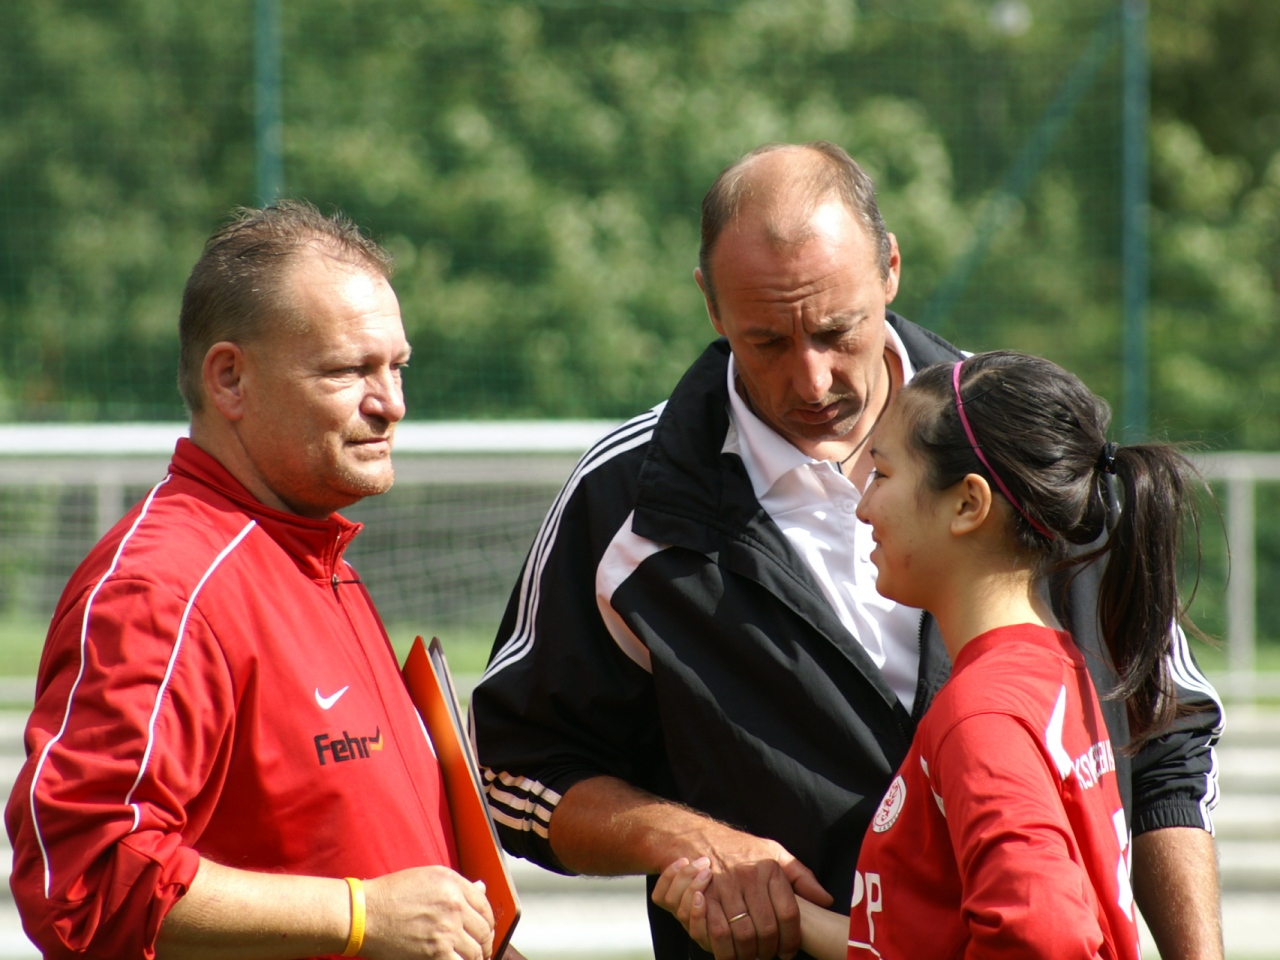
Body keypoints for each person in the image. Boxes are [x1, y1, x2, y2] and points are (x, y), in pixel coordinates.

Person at [470, 142, 1224, 960]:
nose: (814, 379)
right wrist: (683, 840)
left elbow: (1165, 739)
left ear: (891, 268)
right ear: (710, 306)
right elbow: (519, 771)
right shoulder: (628, 503)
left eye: (839, 330)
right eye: (767, 342)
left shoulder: (1029, 446)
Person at [5, 201, 499, 960]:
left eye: (397, 367)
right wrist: (359, 915)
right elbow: (84, 880)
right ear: (229, 378)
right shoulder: (164, 590)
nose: (391, 404)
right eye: (348, 370)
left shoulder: (313, 559)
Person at [655, 350, 1201, 959]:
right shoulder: (1055, 669)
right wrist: (797, 922)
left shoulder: (982, 717)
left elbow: (1044, 938)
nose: (863, 508)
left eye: (882, 475)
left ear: (968, 504)